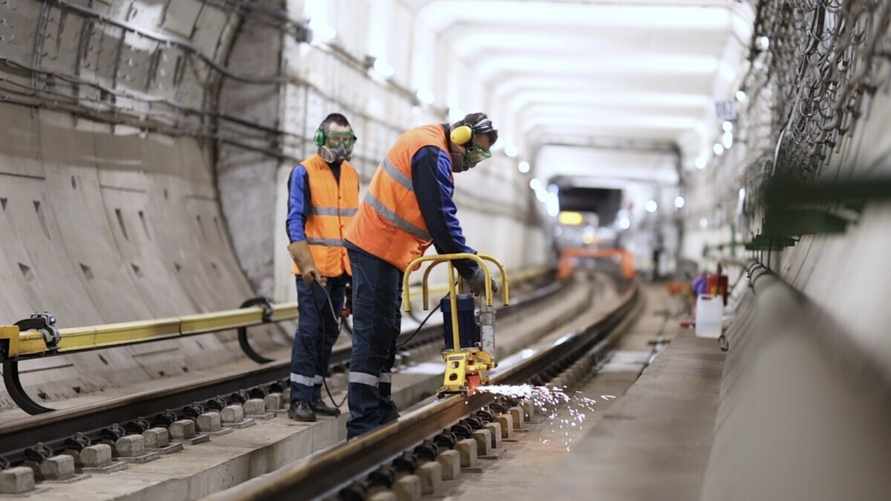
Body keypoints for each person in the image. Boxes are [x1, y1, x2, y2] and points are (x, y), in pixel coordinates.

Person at [343, 112, 499, 438]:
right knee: (372, 335)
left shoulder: (434, 148)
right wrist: (469, 267)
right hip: (375, 248)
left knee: (386, 332)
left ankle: (379, 410)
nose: (473, 163)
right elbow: (440, 217)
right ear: (460, 137)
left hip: (388, 254)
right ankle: (363, 423)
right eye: (474, 153)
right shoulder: (431, 152)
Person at [286, 113, 359, 422]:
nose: (342, 147)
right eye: (336, 140)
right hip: (313, 271)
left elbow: (354, 225)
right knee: (309, 330)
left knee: (329, 332)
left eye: (347, 140)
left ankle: (314, 394)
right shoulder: (303, 172)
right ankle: (299, 400)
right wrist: (305, 263)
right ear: (321, 139)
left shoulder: (352, 175)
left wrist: (355, 272)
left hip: (341, 269)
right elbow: (294, 220)